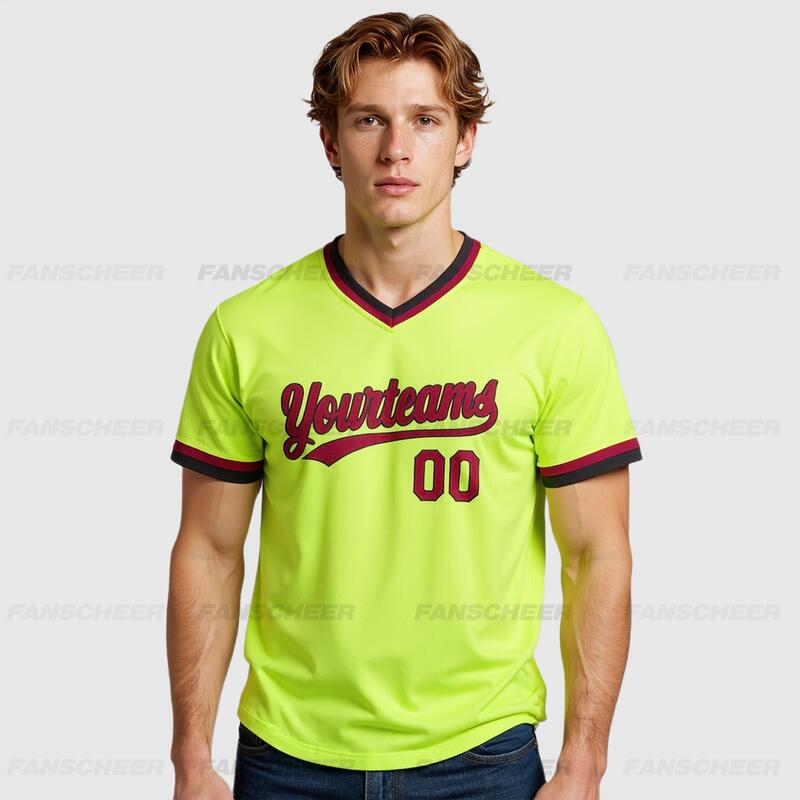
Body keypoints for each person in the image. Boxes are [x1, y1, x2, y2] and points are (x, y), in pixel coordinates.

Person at [167, 11, 643, 800]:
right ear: (331, 142)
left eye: (425, 120)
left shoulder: (555, 326)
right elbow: (209, 551)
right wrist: (190, 758)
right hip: (289, 758)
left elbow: (598, 554)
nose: (396, 148)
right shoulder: (245, 329)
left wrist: (584, 764)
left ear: (465, 140)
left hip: (483, 759)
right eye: (368, 121)